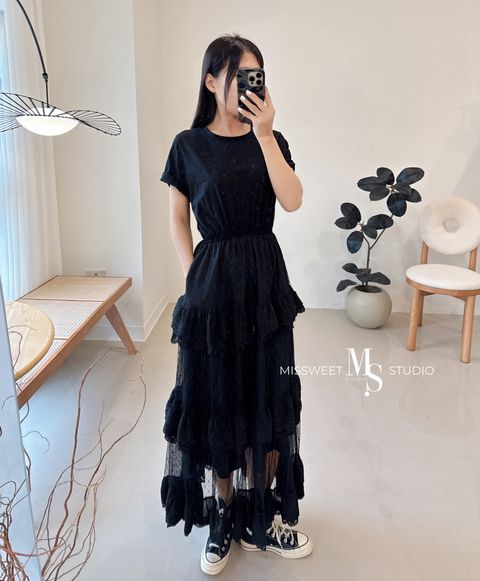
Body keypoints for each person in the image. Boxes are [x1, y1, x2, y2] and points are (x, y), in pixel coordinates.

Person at [159, 34, 313, 575]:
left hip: (264, 285)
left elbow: (292, 200)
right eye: (240, 74)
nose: (252, 84)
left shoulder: (271, 138)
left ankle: (261, 514)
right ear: (210, 81)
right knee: (219, 401)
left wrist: (266, 134)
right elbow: (177, 218)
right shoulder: (187, 145)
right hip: (212, 288)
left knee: (268, 396)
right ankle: (224, 513)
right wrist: (192, 276)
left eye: (257, 74)